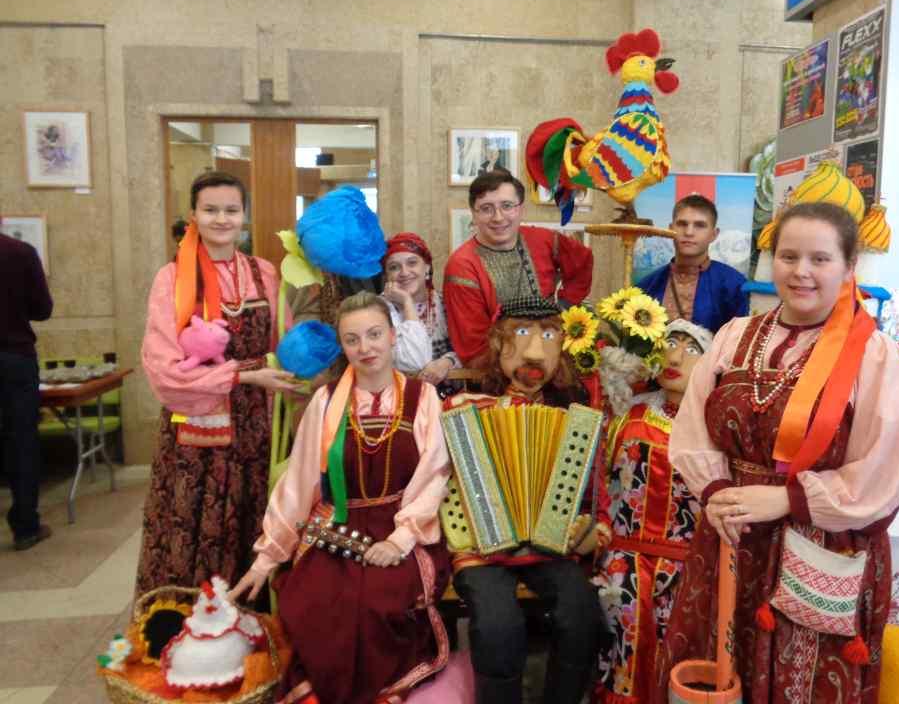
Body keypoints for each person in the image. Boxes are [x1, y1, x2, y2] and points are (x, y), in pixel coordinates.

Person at [657, 202, 899, 704]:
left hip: (821, 544)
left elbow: (885, 469)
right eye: (789, 256)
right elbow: (692, 429)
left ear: (849, 266)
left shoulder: (874, 355)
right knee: (716, 671)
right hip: (732, 534)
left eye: (820, 259)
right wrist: (717, 491)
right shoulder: (734, 336)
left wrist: (788, 499)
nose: (801, 271)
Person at [230, 292, 451, 704]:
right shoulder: (326, 400)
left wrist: (399, 540)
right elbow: (299, 484)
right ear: (342, 346)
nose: (365, 348)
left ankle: (378, 694)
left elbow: (434, 477)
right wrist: (267, 557)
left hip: (403, 525)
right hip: (337, 523)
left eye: (374, 334)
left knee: (378, 602)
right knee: (312, 599)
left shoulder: (423, 398)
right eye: (352, 339)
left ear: (392, 336)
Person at [136, 171, 299, 593]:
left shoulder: (264, 272)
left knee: (254, 515)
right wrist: (243, 375)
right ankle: (193, 620)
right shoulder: (172, 278)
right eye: (210, 210)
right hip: (197, 431)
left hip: (257, 426)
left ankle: (253, 620)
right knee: (196, 525)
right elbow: (164, 370)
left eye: (231, 210)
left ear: (244, 215)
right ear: (193, 214)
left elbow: (283, 342)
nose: (222, 219)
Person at [447, 296, 603, 704]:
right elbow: (439, 477)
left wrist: (584, 524)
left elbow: (586, 493)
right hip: (482, 549)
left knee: (582, 613)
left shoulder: (572, 419)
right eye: (521, 334)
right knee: (497, 626)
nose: (534, 352)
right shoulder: (465, 410)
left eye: (548, 336)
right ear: (499, 344)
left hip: (547, 546)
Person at [591, 318, 712, 704]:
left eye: (691, 350)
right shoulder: (627, 413)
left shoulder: (715, 429)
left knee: (680, 660)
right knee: (623, 659)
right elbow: (600, 484)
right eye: (670, 344)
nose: (675, 357)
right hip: (624, 564)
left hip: (689, 568)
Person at [444, 170, 594, 365]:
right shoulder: (462, 266)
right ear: (474, 213)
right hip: (498, 369)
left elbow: (582, 260)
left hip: (553, 356)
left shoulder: (543, 239)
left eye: (507, 206)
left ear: (521, 209)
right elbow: (474, 347)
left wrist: (565, 305)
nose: (498, 217)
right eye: (486, 208)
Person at [0, 233, 53, 551]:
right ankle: (25, 526)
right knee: (21, 440)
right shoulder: (19, 251)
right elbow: (42, 309)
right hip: (14, 357)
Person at [635, 195, 748, 333]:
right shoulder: (646, 286)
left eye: (700, 225)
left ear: (714, 234)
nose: (689, 232)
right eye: (682, 224)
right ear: (670, 229)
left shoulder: (735, 286)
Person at [380, 232, 460, 384]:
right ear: (387, 275)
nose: (404, 272)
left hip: (452, 395)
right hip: (399, 395)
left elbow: (470, 350)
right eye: (394, 267)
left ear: (427, 267)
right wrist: (407, 302)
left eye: (412, 263)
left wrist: (448, 361)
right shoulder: (377, 311)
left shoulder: (445, 303)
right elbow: (415, 362)